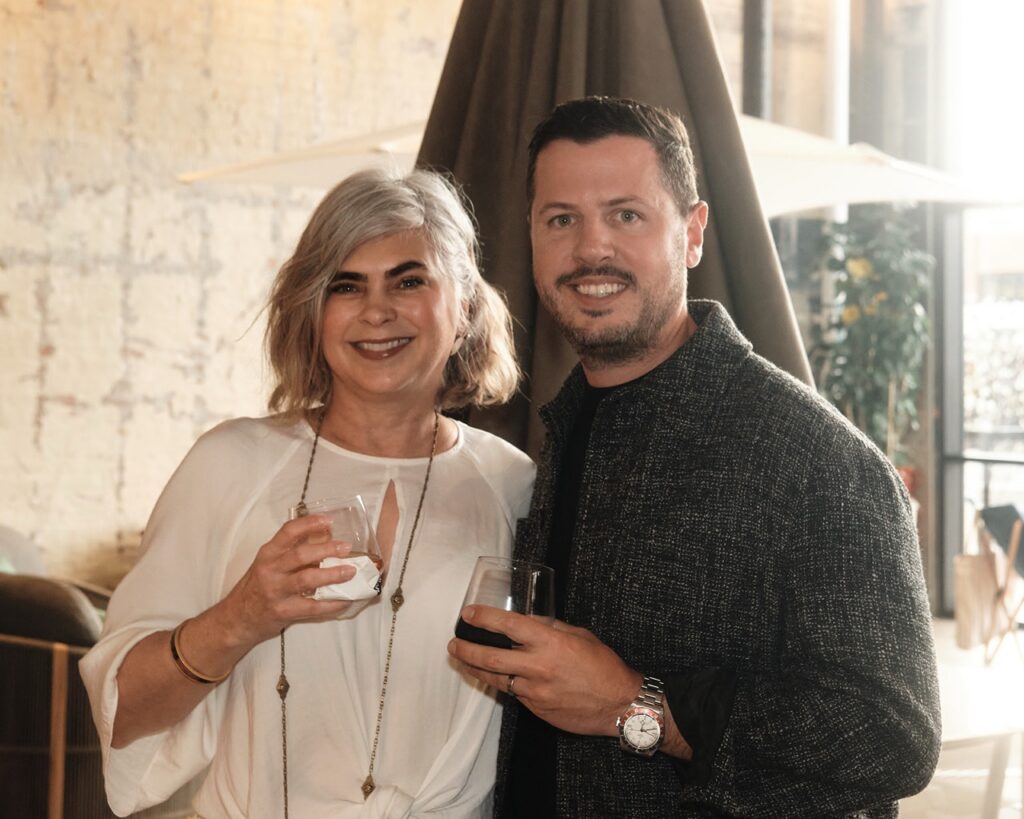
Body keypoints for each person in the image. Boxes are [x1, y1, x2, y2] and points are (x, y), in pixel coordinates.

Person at [448, 96, 941, 816]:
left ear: (693, 233)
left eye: (626, 214)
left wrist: (634, 704)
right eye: (562, 219)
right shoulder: (565, 427)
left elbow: (893, 735)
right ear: (531, 235)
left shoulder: (815, 459)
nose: (591, 249)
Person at [80, 167, 535, 818]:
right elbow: (123, 716)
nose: (377, 310)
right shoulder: (230, 465)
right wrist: (239, 616)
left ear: (463, 307)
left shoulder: (514, 485)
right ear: (313, 312)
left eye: (409, 280)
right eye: (346, 286)